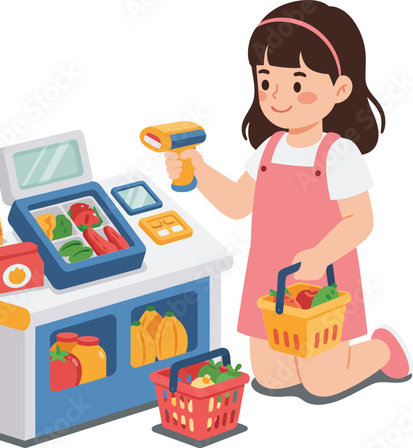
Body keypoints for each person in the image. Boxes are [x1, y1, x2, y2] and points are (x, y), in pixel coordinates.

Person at [164, 1, 410, 397]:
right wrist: (198, 171)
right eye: (265, 80)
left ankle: (382, 350)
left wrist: (320, 255)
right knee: (271, 378)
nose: (278, 96)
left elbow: (360, 221)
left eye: (297, 84)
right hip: (269, 287)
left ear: (340, 88)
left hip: (323, 286)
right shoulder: (269, 149)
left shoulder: (338, 153)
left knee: (323, 384)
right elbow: (236, 204)